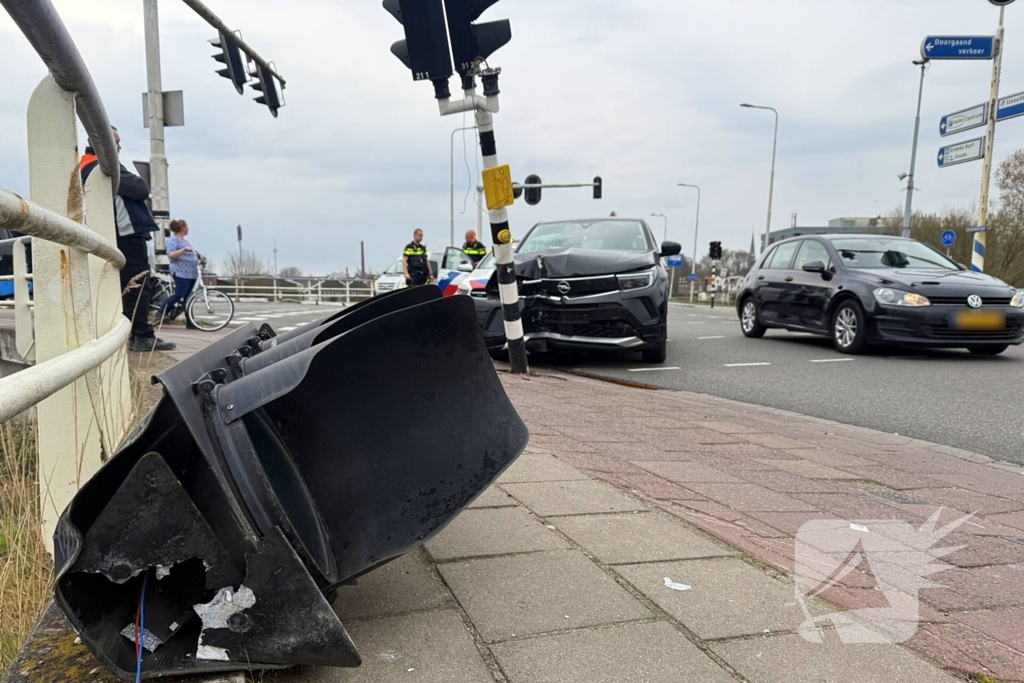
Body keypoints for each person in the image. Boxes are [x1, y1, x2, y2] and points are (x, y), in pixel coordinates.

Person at [81, 126, 175, 351]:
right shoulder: (102, 166)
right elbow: (140, 188)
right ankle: (140, 336)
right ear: (100, 139)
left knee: (131, 285)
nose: (120, 146)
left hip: (120, 231)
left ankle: (133, 333)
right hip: (126, 232)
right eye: (116, 141)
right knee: (137, 284)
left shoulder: (90, 163)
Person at [158, 219, 199, 320]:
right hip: (181, 272)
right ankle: (162, 311)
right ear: (182, 228)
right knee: (180, 294)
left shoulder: (185, 241)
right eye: (187, 226)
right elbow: (171, 255)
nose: (188, 229)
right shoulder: (173, 240)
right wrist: (183, 250)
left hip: (191, 273)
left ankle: (190, 320)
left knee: (188, 298)